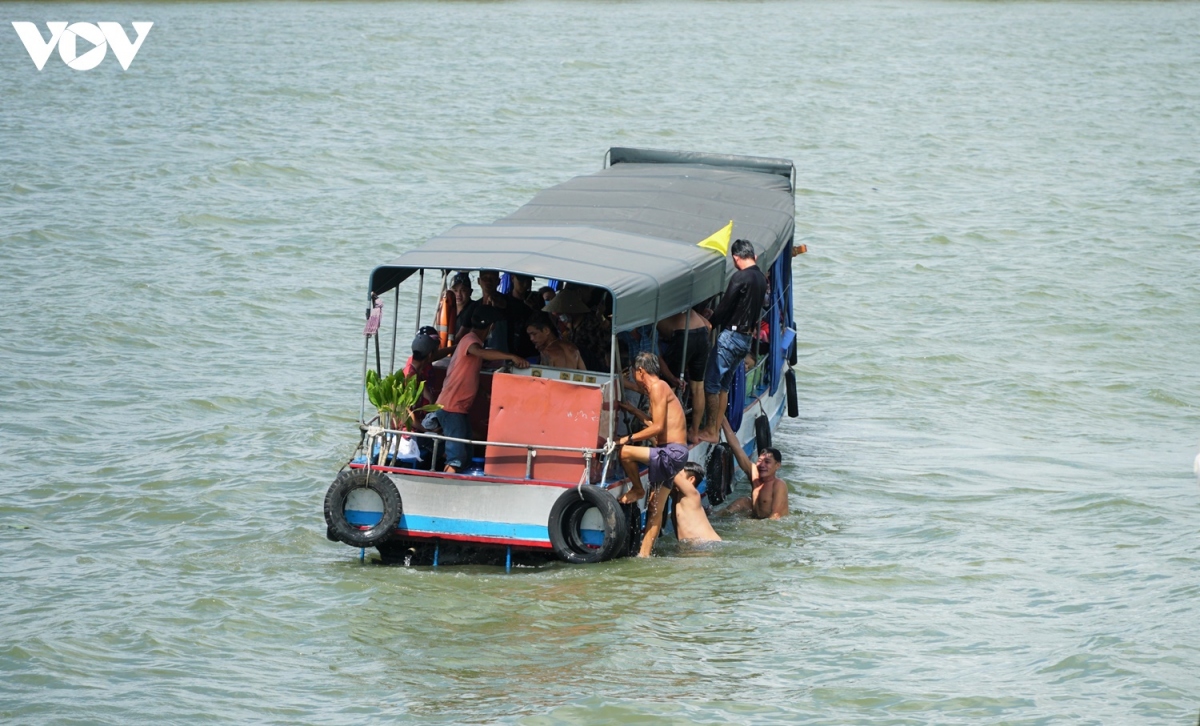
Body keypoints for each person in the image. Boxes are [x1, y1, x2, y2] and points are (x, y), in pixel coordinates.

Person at [435, 307, 530, 473]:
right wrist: (511, 356)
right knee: (456, 457)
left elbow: (469, 376)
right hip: (451, 408)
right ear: (491, 327)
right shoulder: (470, 341)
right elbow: (479, 352)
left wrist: (483, 392)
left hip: (459, 408)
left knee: (466, 451)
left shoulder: (473, 342)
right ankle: (446, 487)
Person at [697, 239, 768, 444]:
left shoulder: (740, 277)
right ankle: (717, 427)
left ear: (736, 258)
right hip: (745, 339)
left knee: (711, 383)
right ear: (752, 256)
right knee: (724, 386)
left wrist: (710, 320)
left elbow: (726, 305)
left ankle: (710, 430)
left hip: (731, 337)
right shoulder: (762, 279)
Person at [615, 352, 688, 506]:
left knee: (624, 452)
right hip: (675, 451)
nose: (632, 376)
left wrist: (627, 438)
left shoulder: (657, 387)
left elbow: (658, 428)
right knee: (654, 510)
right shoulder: (660, 387)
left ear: (640, 371)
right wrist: (633, 410)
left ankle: (637, 489)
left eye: (632, 372)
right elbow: (654, 423)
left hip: (671, 451)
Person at [638, 461, 721, 557]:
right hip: (696, 546)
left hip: (706, 545)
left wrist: (653, 456)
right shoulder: (676, 496)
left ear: (691, 480)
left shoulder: (692, 495)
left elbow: (669, 471)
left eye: (679, 475)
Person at [657, 308, 712, 444]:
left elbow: (656, 353)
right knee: (698, 387)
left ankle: (667, 431)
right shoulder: (687, 307)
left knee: (669, 386)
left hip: (683, 336)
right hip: (702, 334)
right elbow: (709, 326)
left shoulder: (657, 307)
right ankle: (694, 432)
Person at [718, 417, 788, 519]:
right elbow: (736, 447)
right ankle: (715, 516)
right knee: (743, 501)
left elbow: (776, 515)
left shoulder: (778, 485)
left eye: (767, 462)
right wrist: (722, 419)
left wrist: (755, 529)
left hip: (770, 522)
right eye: (760, 461)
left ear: (777, 465)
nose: (762, 465)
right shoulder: (755, 475)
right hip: (757, 515)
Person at [544, 287, 611, 372]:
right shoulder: (571, 325)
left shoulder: (590, 324)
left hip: (594, 368)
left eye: (564, 312)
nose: (562, 315)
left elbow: (602, 346)